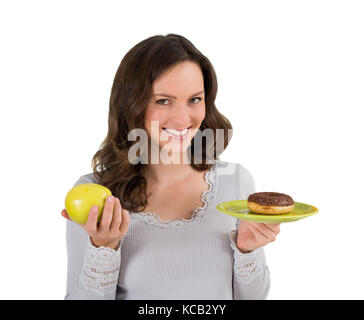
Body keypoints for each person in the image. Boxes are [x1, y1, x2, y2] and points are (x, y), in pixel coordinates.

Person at [61, 33, 280, 300]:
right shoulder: (96, 194)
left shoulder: (236, 181)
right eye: (163, 100)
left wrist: (247, 251)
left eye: (194, 99)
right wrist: (103, 248)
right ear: (131, 105)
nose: (182, 119)